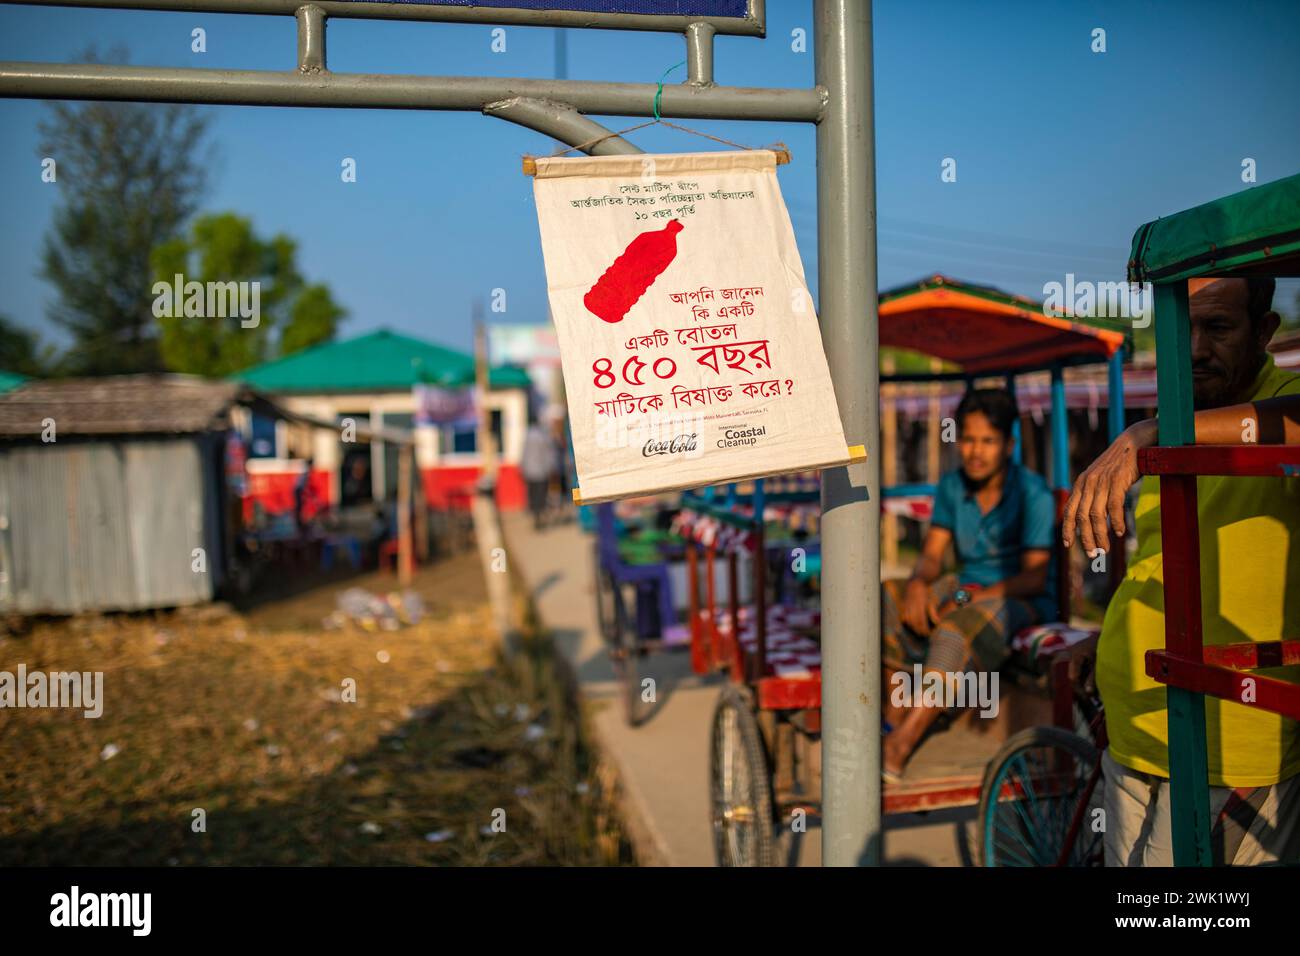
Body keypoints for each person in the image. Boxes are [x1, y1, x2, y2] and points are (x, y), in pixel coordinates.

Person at [1063, 277, 1300, 866]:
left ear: (1265, 331)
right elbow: (1157, 563)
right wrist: (1108, 634)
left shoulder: (1279, 400)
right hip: (1133, 727)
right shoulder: (1179, 411)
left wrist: (1151, 433)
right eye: (1182, 328)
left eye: (1218, 328)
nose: (1194, 348)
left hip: (1230, 742)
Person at [882, 388, 1056, 780]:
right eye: (969, 439)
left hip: (1020, 598)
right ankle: (893, 715)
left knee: (955, 630)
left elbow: (1034, 576)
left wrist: (962, 598)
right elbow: (932, 554)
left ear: (1008, 445)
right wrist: (918, 583)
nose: (976, 452)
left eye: (988, 441)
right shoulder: (951, 486)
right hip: (967, 587)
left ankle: (901, 743)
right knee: (888, 595)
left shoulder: (1033, 494)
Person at [521, 419, 558, 530]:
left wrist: (523, 468)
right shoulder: (544, 436)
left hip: (530, 471)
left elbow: (523, 454)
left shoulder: (528, 436)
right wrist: (552, 468)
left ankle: (535, 516)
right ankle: (539, 516)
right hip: (542, 471)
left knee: (532, 495)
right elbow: (550, 454)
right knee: (541, 496)